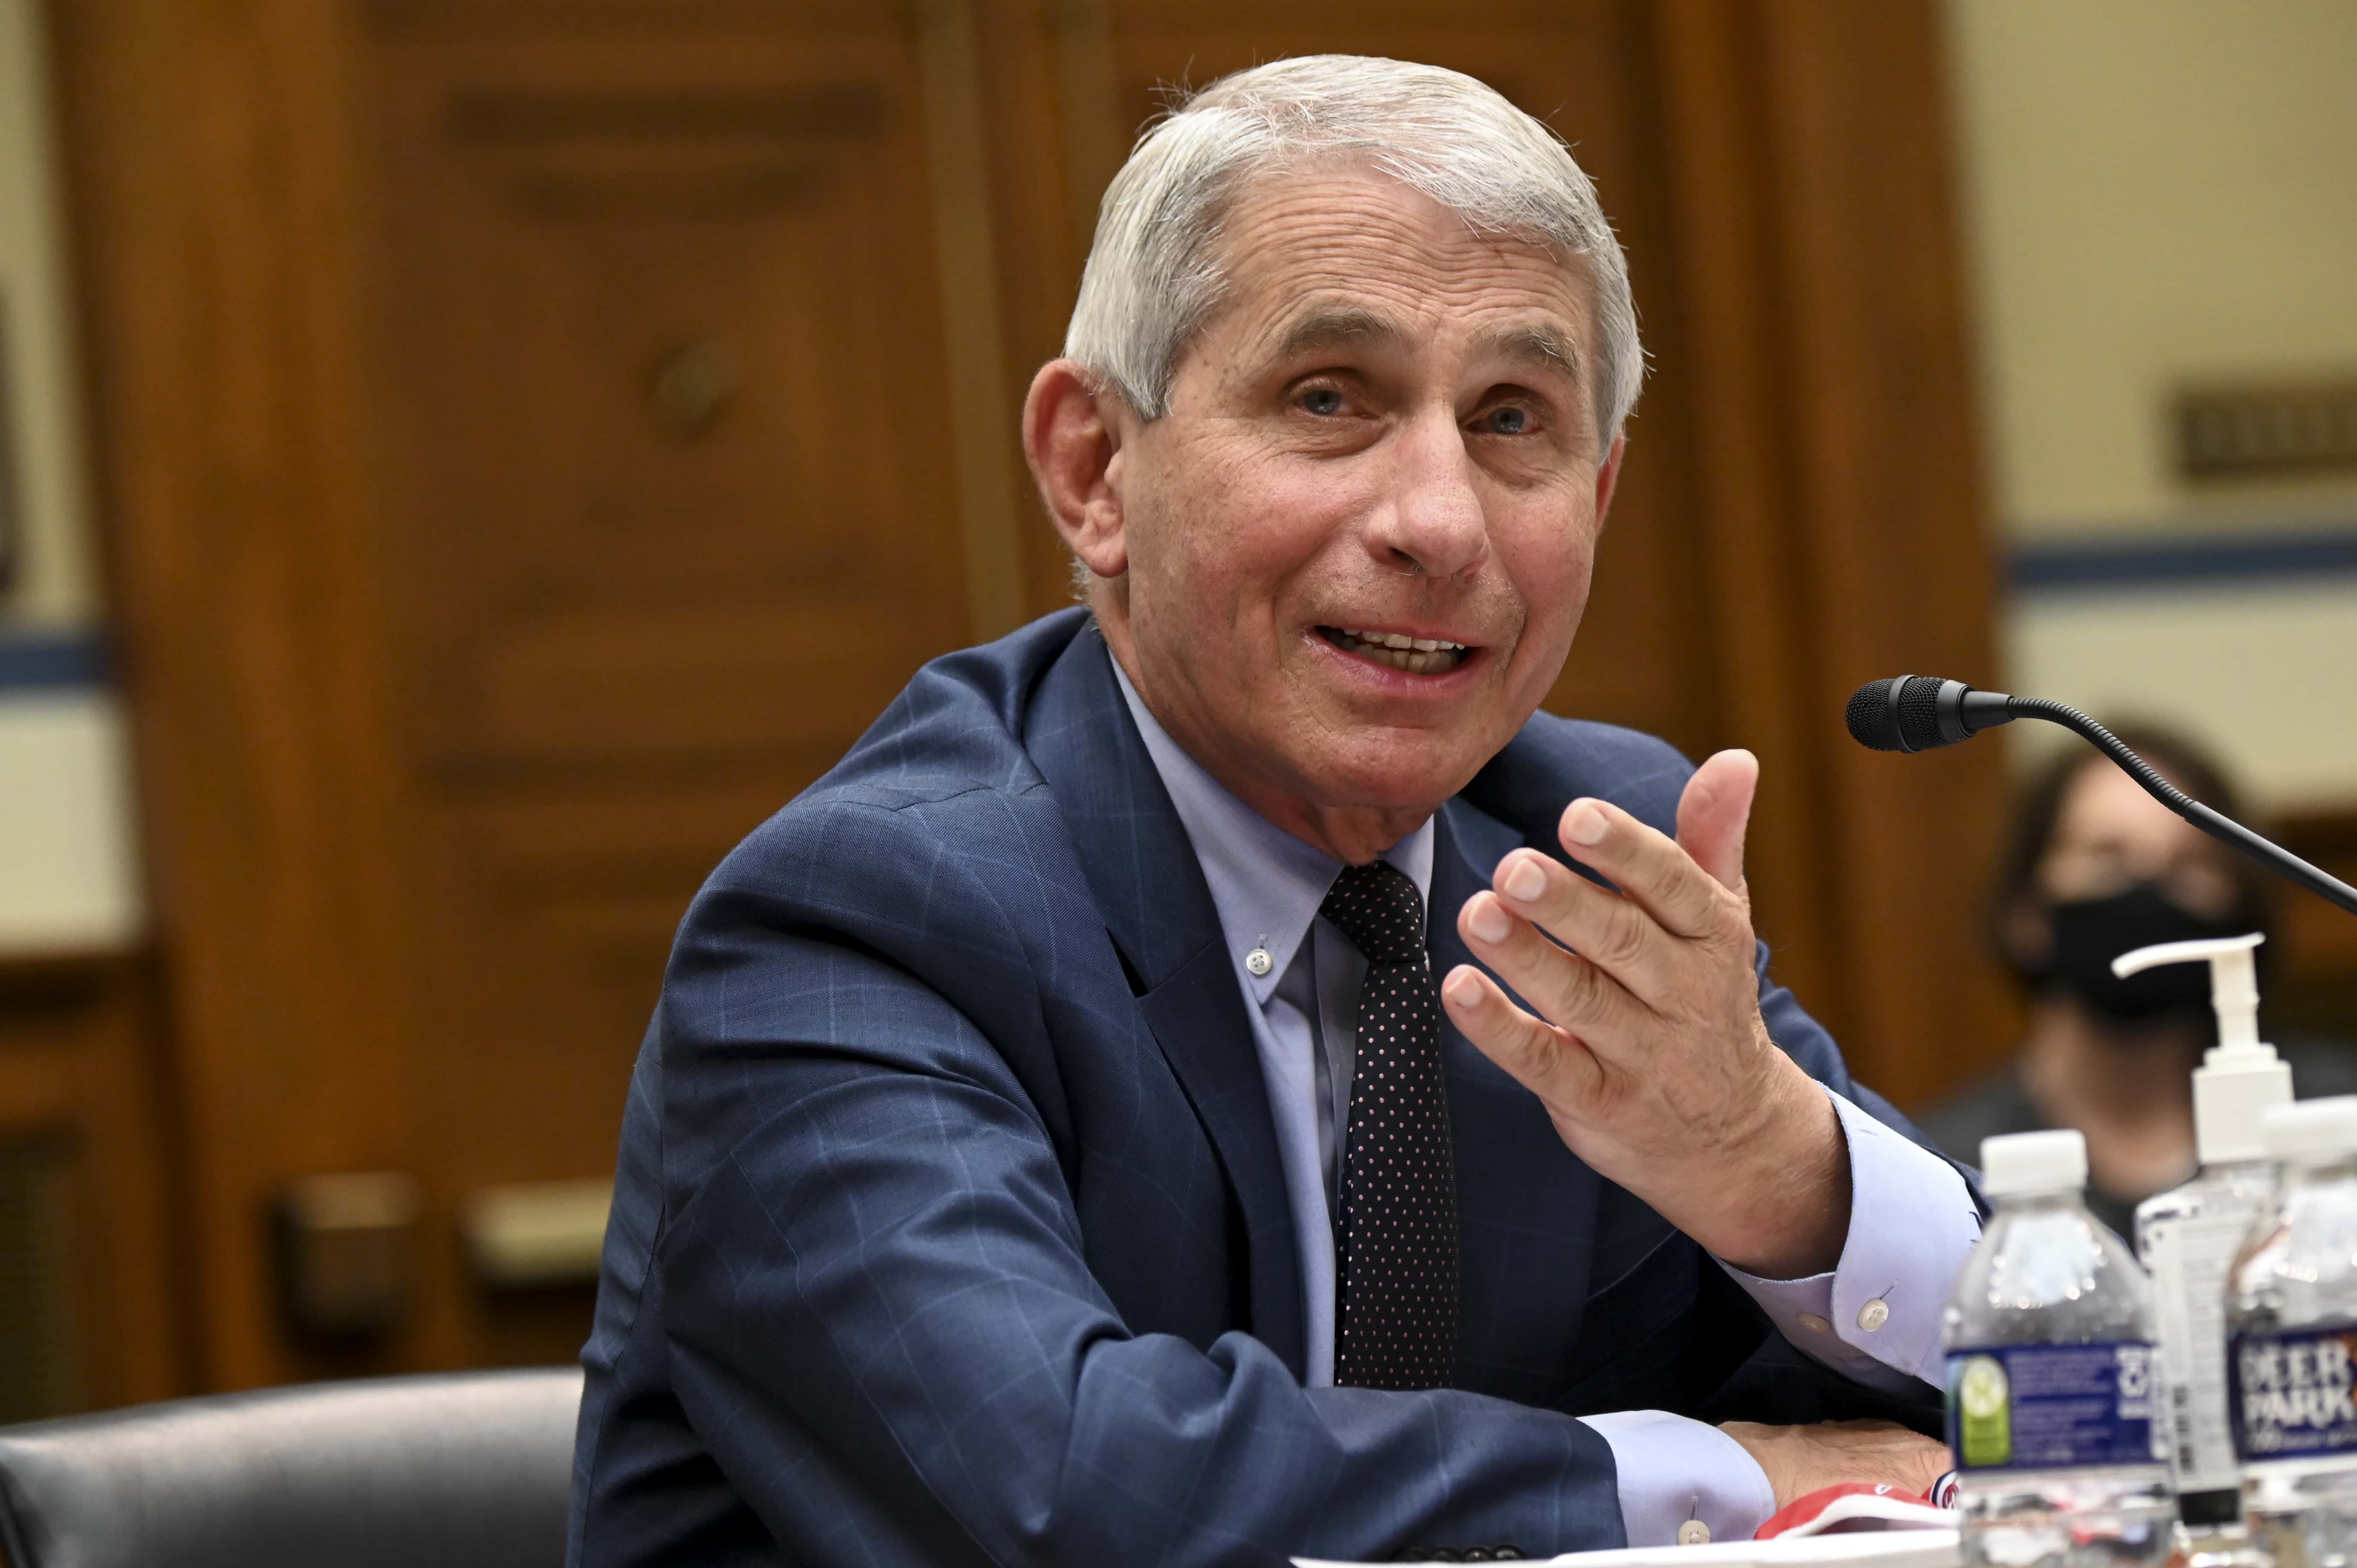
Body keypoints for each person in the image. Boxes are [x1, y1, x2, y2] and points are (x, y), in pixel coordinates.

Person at [569, 56, 1979, 1568]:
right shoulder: (863, 923)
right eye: (1329, 399)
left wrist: (1772, 1162)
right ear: (1094, 468)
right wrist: (1709, 1480)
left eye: (1512, 419)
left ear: (1601, 493)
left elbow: (2063, 1378)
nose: (1438, 521)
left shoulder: (1588, 847)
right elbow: (1066, 1494)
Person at [1922, 726, 2357, 1239]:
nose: (2147, 890)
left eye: (2189, 865)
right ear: (2026, 910)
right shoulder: (1945, 1172)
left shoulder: (2339, 1120)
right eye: (2107, 858)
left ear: (2237, 908)